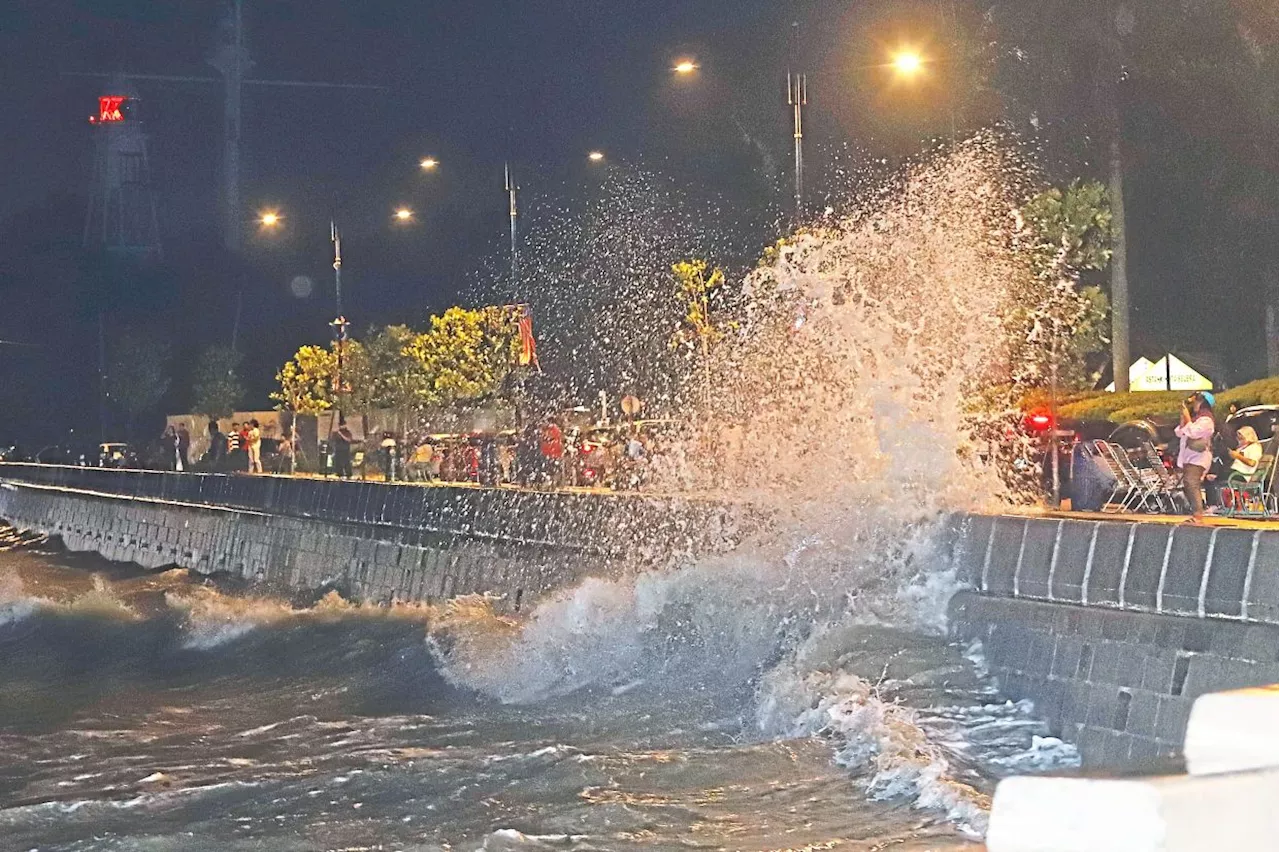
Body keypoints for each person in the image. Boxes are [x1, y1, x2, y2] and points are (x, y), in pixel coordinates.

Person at [1174, 391, 1216, 523]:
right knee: (1188, 484)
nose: (1195, 405)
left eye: (1197, 402)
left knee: (1192, 483)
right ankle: (1197, 512)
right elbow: (1179, 432)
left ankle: (1198, 515)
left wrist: (1187, 417)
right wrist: (1184, 418)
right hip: (1190, 456)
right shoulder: (1196, 418)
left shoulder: (1206, 419)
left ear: (1203, 403)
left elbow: (1193, 432)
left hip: (1199, 457)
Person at [539, 418, 564, 487]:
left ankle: (554, 482)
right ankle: (552, 482)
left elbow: (548, 439)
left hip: (552, 454)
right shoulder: (547, 430)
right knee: (550, 468)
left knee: (552, 468)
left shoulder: (553, 430)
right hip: (548, 453)